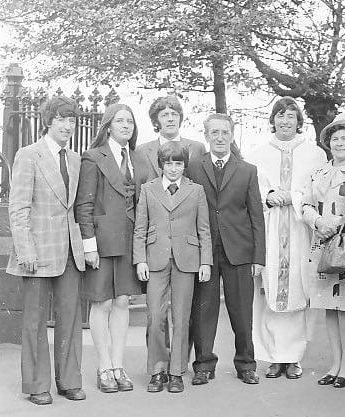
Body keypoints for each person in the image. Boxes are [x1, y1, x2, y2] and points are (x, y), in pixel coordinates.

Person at [7, 96, 86, 405]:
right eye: (62, 119)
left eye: (72, 120)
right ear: (48, 121)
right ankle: (38, 385)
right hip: (37, 252)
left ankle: (69, 381)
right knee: (35, 321)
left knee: (70, 318)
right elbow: (18, 208)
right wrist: (26, 250)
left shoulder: (76, 159)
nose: (68, 126)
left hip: (69, 250)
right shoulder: (28, 155)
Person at [249, 97, 327, 379]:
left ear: (298, 120)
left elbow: (319, 190)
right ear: (273, 119)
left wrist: (294, 197)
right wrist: (267, 196)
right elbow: (249, 190)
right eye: (280, 115)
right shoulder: (257, 154)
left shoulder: (314, 153)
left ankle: (293, 357)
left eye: (291, 116)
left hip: (300, 231)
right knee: (269, 290)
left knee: (300, 290)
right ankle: (272, 356)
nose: (285, 121)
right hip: (269, 232)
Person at [75, 103, 150, 393]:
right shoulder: (93, 157)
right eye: (119, 121)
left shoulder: (140, 159)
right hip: (102, 243)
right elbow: (84, 205)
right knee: (102, 302)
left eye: (129, 122)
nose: (125, 126)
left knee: (122, 302)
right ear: (107, 126)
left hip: (130, 241)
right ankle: (103, 366)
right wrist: (89, 246)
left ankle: (119, 366)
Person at [188, 113, 266, 385]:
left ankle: (246, 364)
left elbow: (256, 215)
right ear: (206, 136)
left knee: (242, 311)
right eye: (214, 133)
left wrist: (259, 257)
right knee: (203, 309)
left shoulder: (247, 170)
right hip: (205, 251)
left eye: (225, 132)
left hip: (240, 250)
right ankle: (204, 364)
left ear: (231, 136)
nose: (220, 137)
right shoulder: (195, 167)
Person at [133, 142, 212, 393]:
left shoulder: (196, 190)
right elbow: (140, 228)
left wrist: (205, 262)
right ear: (161, 165)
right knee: (155, 317)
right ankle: (157, 370)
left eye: (178, 163)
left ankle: (176, 371)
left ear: (184, 166)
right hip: (155, 258)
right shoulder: (148, 189)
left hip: (187, 259)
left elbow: (204, 230)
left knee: (181, 317)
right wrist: (140, 259)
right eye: (169, 163)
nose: (174, 168)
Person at [302, 115, 345, 388]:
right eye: (334, 138)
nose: (339, 143)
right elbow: (306, 204)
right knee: (328, 307)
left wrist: (338, 225)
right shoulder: (319, 173)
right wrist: (317, 221)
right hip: (321, 245)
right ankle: (335, 362)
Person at [137, 95, 206, 179]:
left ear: (180, 119)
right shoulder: (141, 151)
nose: (170, 119)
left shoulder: (197, 148)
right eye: (165, 115)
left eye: (174, 114)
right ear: (155, 121)